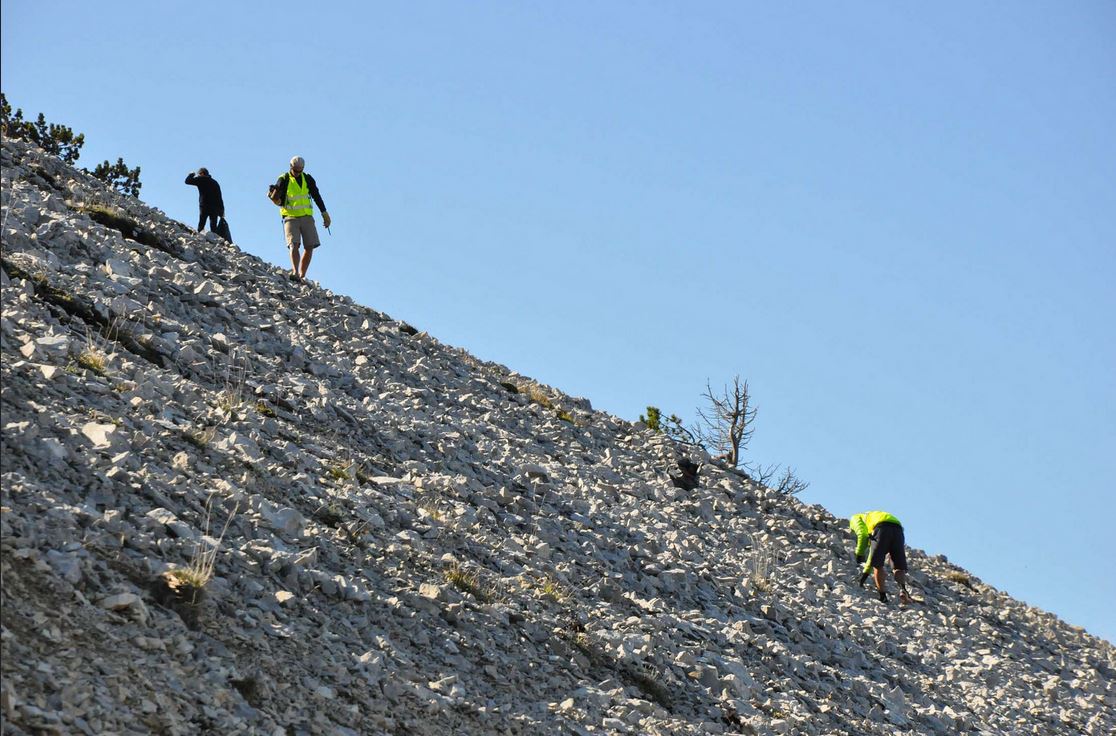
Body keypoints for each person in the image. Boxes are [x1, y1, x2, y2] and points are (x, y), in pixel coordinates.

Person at [270, 155, 330, 281]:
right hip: (290, 217)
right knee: (294, 244)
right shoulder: (284, 178)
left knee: (309, 246)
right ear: (291, 167)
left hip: (307, 217)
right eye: (295, 170)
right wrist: (275, 199)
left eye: (300, 170)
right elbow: (275, 197)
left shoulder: (308, 179)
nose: (297, 173)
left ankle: (302, 275)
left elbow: (317, 196)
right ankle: (295, 272)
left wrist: (324, 213)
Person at [850, 511, 913, 604]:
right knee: (898, 566)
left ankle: (882, 596)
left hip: (882, 528)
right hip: (898, 529)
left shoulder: (855, 518)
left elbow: (862, 535)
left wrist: (859, 554)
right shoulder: (873, 515)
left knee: (878, 565)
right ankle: (903, 590)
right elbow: (871, 555)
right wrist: (864, 575)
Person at [184, 168, 225, 233]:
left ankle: (199, 235)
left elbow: (187, 181)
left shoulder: (201, 179)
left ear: (202, 173)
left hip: (204, 205)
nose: (198, 176)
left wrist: (191, 174)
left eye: (199, 174)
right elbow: (219, 197)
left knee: (202, 222)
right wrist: (222, 210)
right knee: (213, 225)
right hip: (214, 207)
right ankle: (214, 239)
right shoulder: (215, 182)